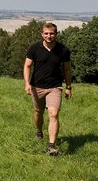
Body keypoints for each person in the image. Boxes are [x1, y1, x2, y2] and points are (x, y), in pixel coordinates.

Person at [23, 22, 72, 156]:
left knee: (53, 114)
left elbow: (67, 69)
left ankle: (52, 146)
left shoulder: (63, 50)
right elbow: (27, 66)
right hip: (37, 86)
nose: (49, 36)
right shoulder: (34, 48)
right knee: (38, 112)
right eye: (46, 33)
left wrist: (68, 87)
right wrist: (27, 83)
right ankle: (39, 131)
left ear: (56, 34)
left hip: (55, 86)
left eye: (51, 33)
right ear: (42, 34)